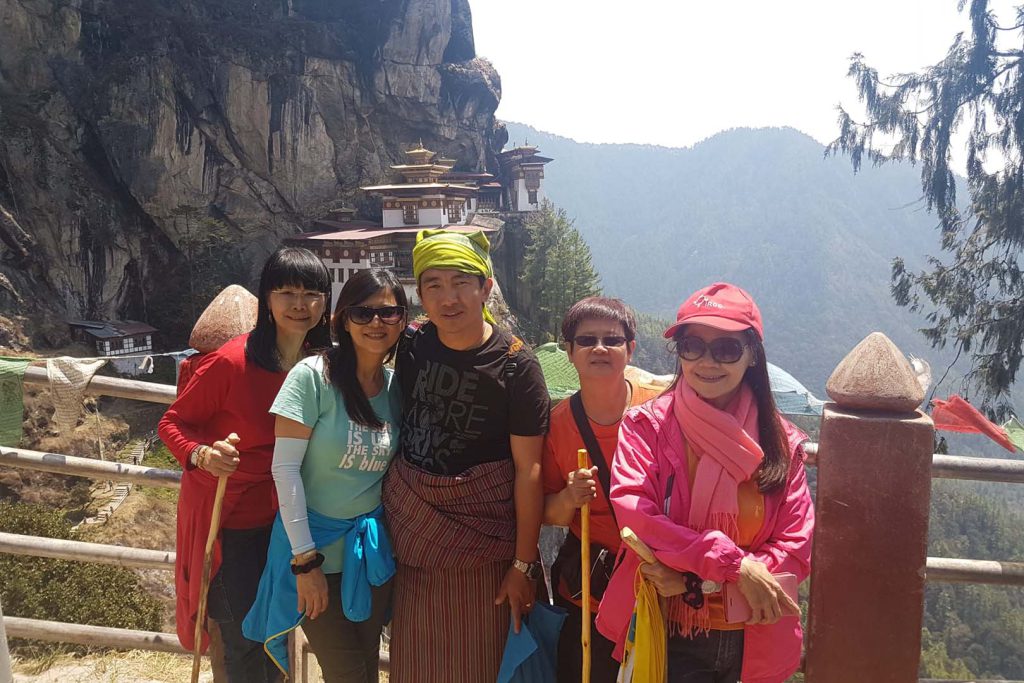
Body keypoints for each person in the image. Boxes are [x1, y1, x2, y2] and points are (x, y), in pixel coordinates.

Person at [596, 282, 815, 683]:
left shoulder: (782, 444)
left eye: (727, 349)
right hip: (667, 631)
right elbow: (636, 517)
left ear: (752, 355)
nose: (707, 362)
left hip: (756, 638)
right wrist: (734, 565)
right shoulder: (647, 429)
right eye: (692, 345)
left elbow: (796, 547)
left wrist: (698, 582)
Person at [381, 228, 551, 683]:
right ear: (420, 294)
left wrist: (522, 565)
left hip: (484, 549)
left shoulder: (516, 365)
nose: (448, 297)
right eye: (433, 285)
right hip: (414, 537)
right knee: (415, 663)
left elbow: (528, 471)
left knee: (480, 663)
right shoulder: (413, 345)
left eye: (461, 282)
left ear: (486, 288)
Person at [158, 247, 331, 683]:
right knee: (242, 642)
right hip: (234, 524)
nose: (299, 304)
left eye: (312, 293)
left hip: (294, 521)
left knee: (279, 633)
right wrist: (203, 454)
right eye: (286, 292)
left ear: (326, 301)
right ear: (266, 300)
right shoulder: (231, 363)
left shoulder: (324, 363)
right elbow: (173, 422)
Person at [242, 269, 407, 681]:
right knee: (347, 673)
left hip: (369, 553)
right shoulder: (313, 377)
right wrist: (304, 563)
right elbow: (285, 470)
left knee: (367, 664)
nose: (375, 323)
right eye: (362, 313)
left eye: (388, 313)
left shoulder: (396, 387)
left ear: (403, 320)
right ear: (342, 320)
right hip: (314, 553)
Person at [541, 296, 660, 683]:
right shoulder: (558, 425)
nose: (599, 348)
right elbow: (547, 510)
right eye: (587, 339)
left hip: (659, 584)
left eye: (612, 339)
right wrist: (569, 498)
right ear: (570, 352)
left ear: (631, 349)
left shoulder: (660, 409)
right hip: (592, 588)